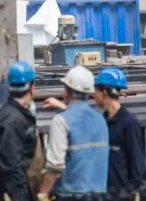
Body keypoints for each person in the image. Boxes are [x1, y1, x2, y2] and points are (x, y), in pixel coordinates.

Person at [39, 66, 109, 199]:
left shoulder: (61, 120)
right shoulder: (101, 120)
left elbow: (54, 165)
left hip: (71, 196)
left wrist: (42, 195)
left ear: (66, 91)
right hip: (100, 195)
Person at [0, 61, 40, 201]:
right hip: (15, 191)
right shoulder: (14, 120)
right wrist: (20, 196)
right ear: (31, 87)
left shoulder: (15, 113)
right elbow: (11, 163)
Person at [94, 68, 145, 198]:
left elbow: (137, 166)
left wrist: (129, 193)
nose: (94, 95)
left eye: (96, 90)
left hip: (122, 195)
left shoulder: (128, 123)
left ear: (104, 92)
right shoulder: (102, 121)